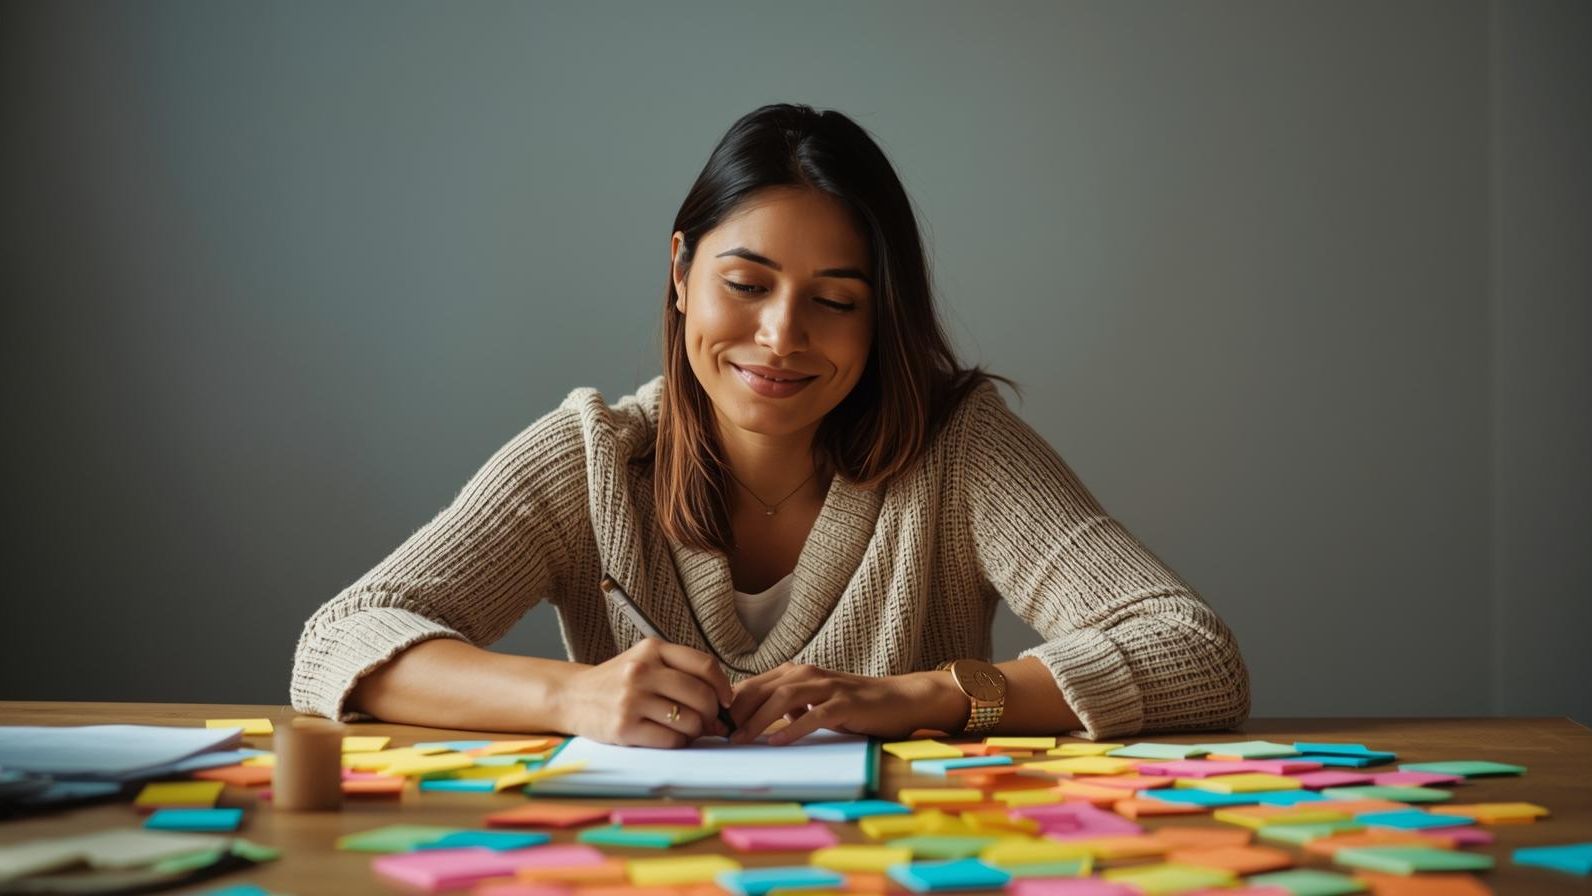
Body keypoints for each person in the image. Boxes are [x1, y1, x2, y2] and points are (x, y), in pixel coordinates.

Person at [290, 103, 1250, 749]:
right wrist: (569, 697)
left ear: (883, 315)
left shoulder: (960, 449)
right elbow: (338, 642)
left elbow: (1193, 653)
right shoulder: (592, 457)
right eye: (745, 285)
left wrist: (925, 695)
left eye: (835, 300)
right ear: (680, 270)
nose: (780, 338)